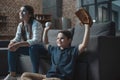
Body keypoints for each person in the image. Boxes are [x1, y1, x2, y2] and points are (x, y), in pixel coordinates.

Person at [4, 5, 46, 80]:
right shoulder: (20, 25)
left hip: (40, 48)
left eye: (23, 11)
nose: (20, 13)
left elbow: (36, 40)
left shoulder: (36, 24)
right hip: (30, 48)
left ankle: (35, 75)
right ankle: (12, 75)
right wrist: (12, 42)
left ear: (30, 14)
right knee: (12, 48)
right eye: (20, 11)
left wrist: (19, 44)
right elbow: (17, 38)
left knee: (33, 47)